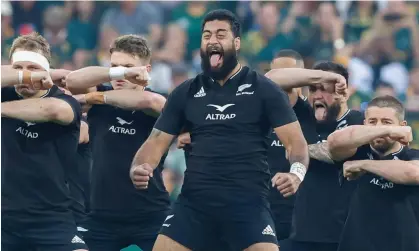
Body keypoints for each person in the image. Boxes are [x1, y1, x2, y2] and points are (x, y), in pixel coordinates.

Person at [130, 9, 309, 251]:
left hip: (247, 205)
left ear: (236, 43)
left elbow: (296, 144)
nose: (212, 40)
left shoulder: (264, 90)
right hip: (194, 205)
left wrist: (296, 174)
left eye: (220, 34)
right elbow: (156, 142)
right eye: (207, 35)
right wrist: (140, 166)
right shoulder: (186, 92)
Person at [65, 34, 169, 251]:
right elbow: (72, 81)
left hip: (151, 213)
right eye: (114, 66)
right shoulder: (102, 94)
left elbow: (151, 102)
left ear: (146, 71)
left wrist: (91, 99)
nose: (120, 74)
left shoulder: (156, 101)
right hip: (100, 216)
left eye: (129, 67)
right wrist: (118, 74)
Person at [1, 33, 87, 251]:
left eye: (32, 67)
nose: (25, 75)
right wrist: (26, 76)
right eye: (18, 68)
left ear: (46, 71)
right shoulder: (6, 93)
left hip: (51, 218)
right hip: (5, 220)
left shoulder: (64, 101)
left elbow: (51, 110)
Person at [266, 61, 364, 251]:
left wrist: (302, 150)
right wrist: (325, 77)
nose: (318, 95)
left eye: (326, 90)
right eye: (313, 89)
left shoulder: (357, 122)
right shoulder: (303, 116)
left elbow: (336, 150)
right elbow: (270, 80)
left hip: (345, 236)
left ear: (343, 94)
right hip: (303, 234)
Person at [327, 95, 419, 251]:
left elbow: (414, 173)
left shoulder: (412, 156)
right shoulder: (353, 152)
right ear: (364, 125)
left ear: (402, 126)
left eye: (386, 121)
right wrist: (387, 129)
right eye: (372, 122)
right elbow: (334, 142)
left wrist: (363, 165)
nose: (377, 128)